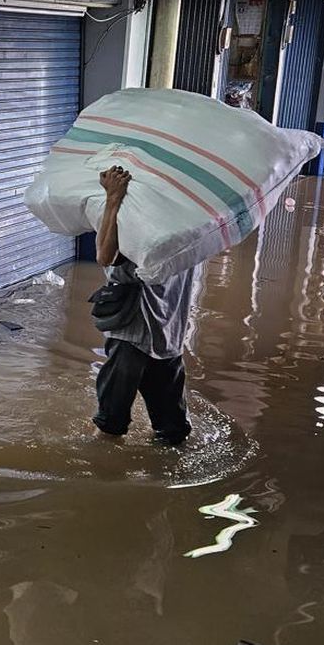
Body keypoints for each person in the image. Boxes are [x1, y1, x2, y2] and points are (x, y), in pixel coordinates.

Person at [91, 166, 195, 446]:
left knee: (110, 428)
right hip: (170, 326)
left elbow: (104, 255)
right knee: (172, 430)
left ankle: (104, 475)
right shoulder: (195, 219)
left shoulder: (137, 215)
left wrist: (113, 199)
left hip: (134, 329)